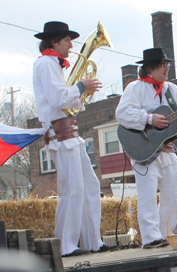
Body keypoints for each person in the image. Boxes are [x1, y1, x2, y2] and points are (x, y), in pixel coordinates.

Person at [33, 21, 116, 257]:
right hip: (60, 136)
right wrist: (81, 85)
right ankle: (65, 244)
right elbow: (59, 98)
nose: (71, 45)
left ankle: (93, 241)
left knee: (89, 186)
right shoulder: (46, 64)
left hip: (70, 134)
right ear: (54, 42)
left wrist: (82, 92)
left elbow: (69, 104)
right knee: (73, 190)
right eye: (67, 40)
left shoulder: (54, 65)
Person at [116, 48, 177, 248]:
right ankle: (150, 238)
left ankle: (166, 234)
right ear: (150, 68)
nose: (166, 69)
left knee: (173, 195)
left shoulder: (172, 89)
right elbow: (122, 114)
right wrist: (148, 118)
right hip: (144, 151)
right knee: (147, 197)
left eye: (167, 65)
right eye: (162, 65)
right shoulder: (135, 88)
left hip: (169, 150)